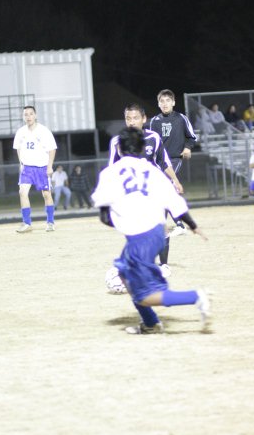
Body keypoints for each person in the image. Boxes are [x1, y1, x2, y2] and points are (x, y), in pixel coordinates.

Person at [91, 127, 212, 335]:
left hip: (140, 239)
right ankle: (150, 324)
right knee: (125, 275)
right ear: (142, 148)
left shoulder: (110, 174)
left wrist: (122, 219)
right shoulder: (153, 171)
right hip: (157, 233)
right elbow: (176, 204)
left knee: (144, 296)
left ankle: (196, 297)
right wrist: (193, 226)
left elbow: (104, 216)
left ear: (119, 148)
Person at [109, 103, 183, 272]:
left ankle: (164, 265)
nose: (132, 122)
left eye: (135, 118)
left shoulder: (154, 138)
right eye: (128, 118)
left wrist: (175, 181)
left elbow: (164, 162)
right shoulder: (117, 142)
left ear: (143, 119)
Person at [149, 89, 197, 235]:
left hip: (174, 159)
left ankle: (179, 225)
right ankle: (162, 224)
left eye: (168, 100)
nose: (165, 103)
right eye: (162, 101)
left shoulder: (181, 118)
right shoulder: (154, 121)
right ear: (158, 104)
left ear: (173, 102)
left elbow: (191, 137)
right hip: (159, 162)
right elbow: (151, 142)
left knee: (165, 188)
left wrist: (188, 148)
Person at [13, 105, 57, 233]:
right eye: (26, 114)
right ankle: (27, 223)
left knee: (46, 194)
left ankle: (50, 222)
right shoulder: (20, 132)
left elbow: (52, 149)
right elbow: (18, 148)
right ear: (23, 117)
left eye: (31, 114)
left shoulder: (44, 131)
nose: (28, 117)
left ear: (35, 115)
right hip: (27, 168)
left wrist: (49, 166)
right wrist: (21, 163)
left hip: (42, 167)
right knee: (22, 192)